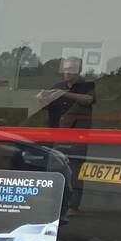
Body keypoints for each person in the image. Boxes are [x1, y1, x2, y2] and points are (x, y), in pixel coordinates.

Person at [36, 56, 95, 210]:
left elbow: (88, 99)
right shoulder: (58, 85)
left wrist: (63, 94)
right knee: (54, 167)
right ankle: (53, 203)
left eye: (71, 69)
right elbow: (46, 107)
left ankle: (73, 206)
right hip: (57, 134)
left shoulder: (86, 85)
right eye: (66, 69)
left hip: (78, 136)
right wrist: (42, 98)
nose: (67, 73)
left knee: (75, 169)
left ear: (79, 70)